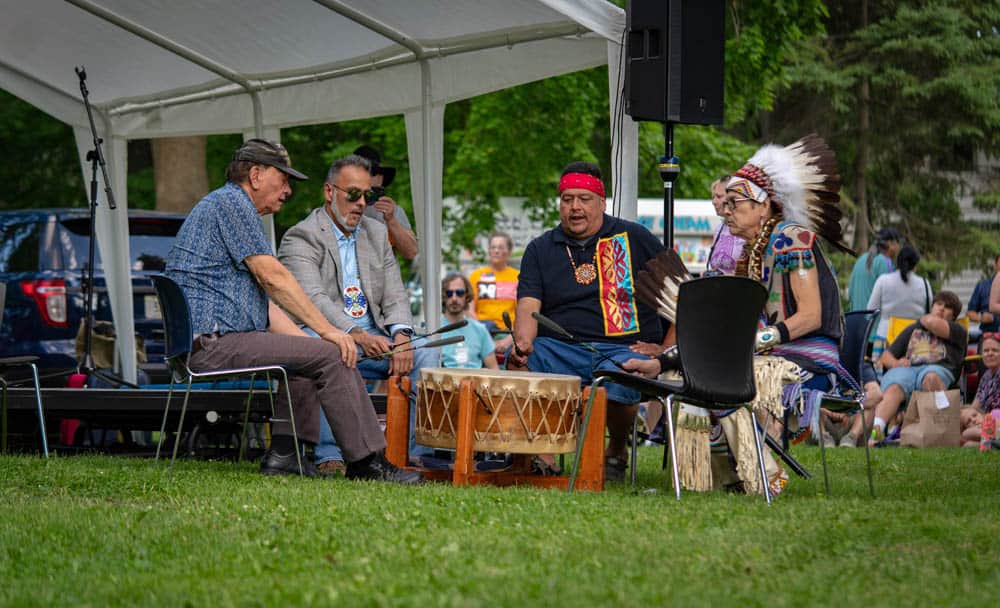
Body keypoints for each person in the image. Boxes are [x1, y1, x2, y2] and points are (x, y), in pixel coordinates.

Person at [165, 138, 421, 484]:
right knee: (330, 354)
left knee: (312, 355)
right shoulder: (232, 204)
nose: (287, 190)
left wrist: (311, 344)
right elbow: (273, 278)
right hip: (213, 343)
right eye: (282, 178)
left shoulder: (227, 206)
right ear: (256, 174)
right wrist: (330, 334)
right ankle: (367, 462)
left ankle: (286, 455)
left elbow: (266, 309)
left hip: (211, 339)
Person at [625, 135, 854, 495]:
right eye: (725, 202)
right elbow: (724, 333)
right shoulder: (749, 255)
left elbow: (810, 316)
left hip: (807, 353)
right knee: (684, 376)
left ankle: (763, 472)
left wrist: (755, 342)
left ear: (764, 207)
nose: (726, 210)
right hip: (765, 352)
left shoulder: (791, 239)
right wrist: (665, 358)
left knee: (727, 375)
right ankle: (704, 480)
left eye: (735, 202)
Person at [277, 154, 437, 473]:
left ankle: (410, 456)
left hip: (375, 337)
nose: (362, 203)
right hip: (323, 331)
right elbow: (313, 300)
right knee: (333, 351)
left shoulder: (376, 234)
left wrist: (402, 334)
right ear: (328, 192)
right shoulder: (302, 235)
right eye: (353, 194)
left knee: (426, 355)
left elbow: (394, 292)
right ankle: (329, 454)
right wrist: (354, 334)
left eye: (367, 195)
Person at [508, 161, 665, 481]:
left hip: (621, 346)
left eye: (584, 198)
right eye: (567, 199)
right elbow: (528, 304)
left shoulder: (633, 237)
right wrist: (522, 342)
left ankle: (617, 449)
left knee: (624, 373)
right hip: (560, 346)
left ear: (601, 202)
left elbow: (680, 295)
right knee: (522, 362)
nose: (575, 207)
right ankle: (545, 458)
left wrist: (666, 348)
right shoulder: (540, 248)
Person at [859, 291, 968, 446]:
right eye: (939, 304)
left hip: (938, 368)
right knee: (896, 385)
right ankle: (876, 430)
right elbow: (886, 356)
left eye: (948, 307)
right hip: (909, 370)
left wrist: (925, 318)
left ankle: (933, 431)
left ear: (954, 315)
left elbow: (933, 323)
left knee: (930, 377)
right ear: (932, 306)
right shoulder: (913, 329)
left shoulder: (957, 330)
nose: (942, 309)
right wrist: (897, 364)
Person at [866, 245, 932, 371]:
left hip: (885, 336)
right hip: (914, 339)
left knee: (881, 383)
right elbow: (929, 312)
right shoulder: (924, 283)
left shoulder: (883, 281)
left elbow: (870, 310)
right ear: (915, 264)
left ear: (898, 261)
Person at [353, 145, 418, 261]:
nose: (376, 177)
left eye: (376, 173)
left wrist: (391, 220)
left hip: (383, 278)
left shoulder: (393, 211)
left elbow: (411, 252)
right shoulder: (340, 208)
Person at [468, 232, 519, 354]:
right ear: (489, 251)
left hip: (508, 333)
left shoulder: (518, 277)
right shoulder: (476, 276)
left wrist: (508, 340)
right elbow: (469, 309)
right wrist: (483, 335)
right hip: (481, 330)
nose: (496, 251)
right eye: (493, 247)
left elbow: (522, 314)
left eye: (501, 247)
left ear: (509, 251)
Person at [439, 272, 498, 370]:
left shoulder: (480, 329)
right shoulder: (433, 329)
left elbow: (494, 369)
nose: (454, 298)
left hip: (474, 383)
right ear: (443, 296)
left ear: (467, 295)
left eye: (459, 293)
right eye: (449, 293)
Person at [848, 226, 901, 312]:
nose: (899, 247)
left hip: (856, 321)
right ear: (891, 243)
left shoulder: (860, 260)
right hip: (874, 322)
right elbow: (890, 298)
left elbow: (850, 293)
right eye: (898, 243)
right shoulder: (885, 262)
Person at [705, 175, 744, 276]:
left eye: (719, 196)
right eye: (713, 197)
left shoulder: (746, 228)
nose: (714, 202)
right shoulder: (719, 229)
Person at [967, 255, 1000, 340]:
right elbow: (970, 313)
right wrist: (981, 318)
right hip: (989, 336)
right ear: (995, 266)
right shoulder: (982, 286)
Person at [970, 332, 1000, 414]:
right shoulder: (986, 376)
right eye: (986, 351)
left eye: (995, 350)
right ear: (982, 355)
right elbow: (976, 405)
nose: (990, 353)